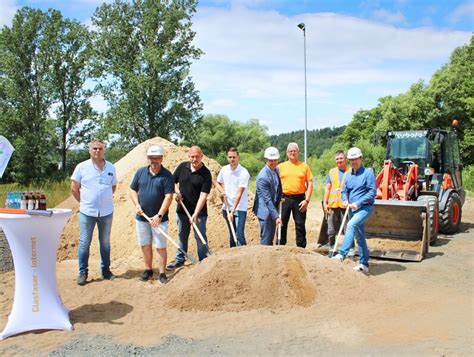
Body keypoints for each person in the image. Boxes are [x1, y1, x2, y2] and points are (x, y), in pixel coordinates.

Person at [71, 139, 118, 286]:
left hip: (106, 212)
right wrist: (84, 202)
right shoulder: (82, 167)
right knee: (85, 242)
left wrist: (103, 199)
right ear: (89, 150)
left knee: (105, 242)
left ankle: (106, 271)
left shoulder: (111, 167)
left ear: (104, 150)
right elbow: (74, 188)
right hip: (87, 212)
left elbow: (113, 187)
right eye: (95, 149)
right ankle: (83, 272)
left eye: (100, 149)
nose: (97, 151)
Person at [130, 145, 174, 284]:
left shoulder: (167, 175)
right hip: (142, 218)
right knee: (145, 244)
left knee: (160, 246)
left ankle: (162, 273)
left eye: (156, 158)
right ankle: (148, 269)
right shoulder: (140, 172)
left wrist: (159, 216)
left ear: (161, 159)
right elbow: (132, 190)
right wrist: (137, 204)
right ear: (148, 158)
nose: (154, 161)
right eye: (151, 158)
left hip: (159, 220)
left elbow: (168, 197)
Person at [332, 147, 376, 273]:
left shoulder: (368, 173)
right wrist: (345, 199)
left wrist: (358, 203)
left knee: (351, 225)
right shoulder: (348, 174)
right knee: (359, 236)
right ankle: (364, 264)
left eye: (355, 159)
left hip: (364, 208)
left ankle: (341, 254)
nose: (353, 162)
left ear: (360, 158)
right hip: (351, 209)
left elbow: (372, 191)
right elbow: (345, 190)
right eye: (351, 160)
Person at [166, 146, 212, 270]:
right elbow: (172, 181)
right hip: (182, 210)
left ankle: (204, 260)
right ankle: (180, 259)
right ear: (189, 157)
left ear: (201, 156)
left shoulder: (206, 174)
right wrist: (177, 193)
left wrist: (195, 214)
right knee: (182, 235)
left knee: (199, 236)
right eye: (192, 156)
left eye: (197, 156)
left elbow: (203, 196)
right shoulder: (182, 167)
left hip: (200, 212)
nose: (194, 159)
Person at [278, 142, 313, 248]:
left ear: (298, 152)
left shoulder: (304, 166)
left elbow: (310, 183)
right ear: (287, 153)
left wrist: (307, 200)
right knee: (282, 223)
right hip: (284, 198)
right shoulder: (280, 167)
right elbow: (275, 183)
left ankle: (301, 248)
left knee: (300, 224)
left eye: (295, 151)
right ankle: (280, 246)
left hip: (300, 199)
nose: (293, 153)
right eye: (290, 151)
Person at [217, 147, 250, 247]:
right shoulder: (224, 169)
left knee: (239, 234)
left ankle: (244, 255)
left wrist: (232, 212)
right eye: (230, 157)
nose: (232, 159)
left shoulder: (244, 172)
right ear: (227, 158)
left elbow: (239, 194)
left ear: (238, 157)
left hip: (239, 208)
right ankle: (232, 257)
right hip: (227, 206)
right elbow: (217, 182)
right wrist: (222, 192)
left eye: (234, 157)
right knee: (232, 233)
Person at [253, 147, 283, 245]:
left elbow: (277, 187)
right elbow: (267, 200)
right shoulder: (263, 177)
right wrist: (276, 217)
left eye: (275, 160)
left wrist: (279, 198)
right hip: (265, 211)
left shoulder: (276, 170)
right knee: (266, 239)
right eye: (271, 160)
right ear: (266, 160)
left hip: (272, 208)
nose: (273, 162)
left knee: (271, 238)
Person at [323, 150, 350, 248]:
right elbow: (328, 188)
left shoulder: (350, 171)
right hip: (333, 205)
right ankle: (331, 247)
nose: (339, 161)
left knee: (348, 229)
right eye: (337, 159)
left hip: (345, 205)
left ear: (345, 159)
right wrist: (325, 202)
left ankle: (350, 248)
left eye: (341, 158)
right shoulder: (332, 172)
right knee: (331, 229)